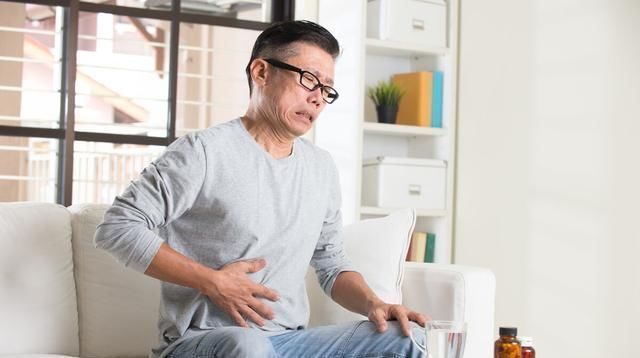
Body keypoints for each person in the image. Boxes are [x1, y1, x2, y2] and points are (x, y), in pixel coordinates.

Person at [95, 20, 428, 358]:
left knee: (406, 337)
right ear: (261, 72)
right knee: (248, 345)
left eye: (326, 89)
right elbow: (117, 227)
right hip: (204, 342)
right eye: (308, 80)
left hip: (288, 344)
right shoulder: (203, 152)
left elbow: (331, 263)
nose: (317, 99)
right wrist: (212, 282)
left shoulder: (321, 167)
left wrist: (375, 304)